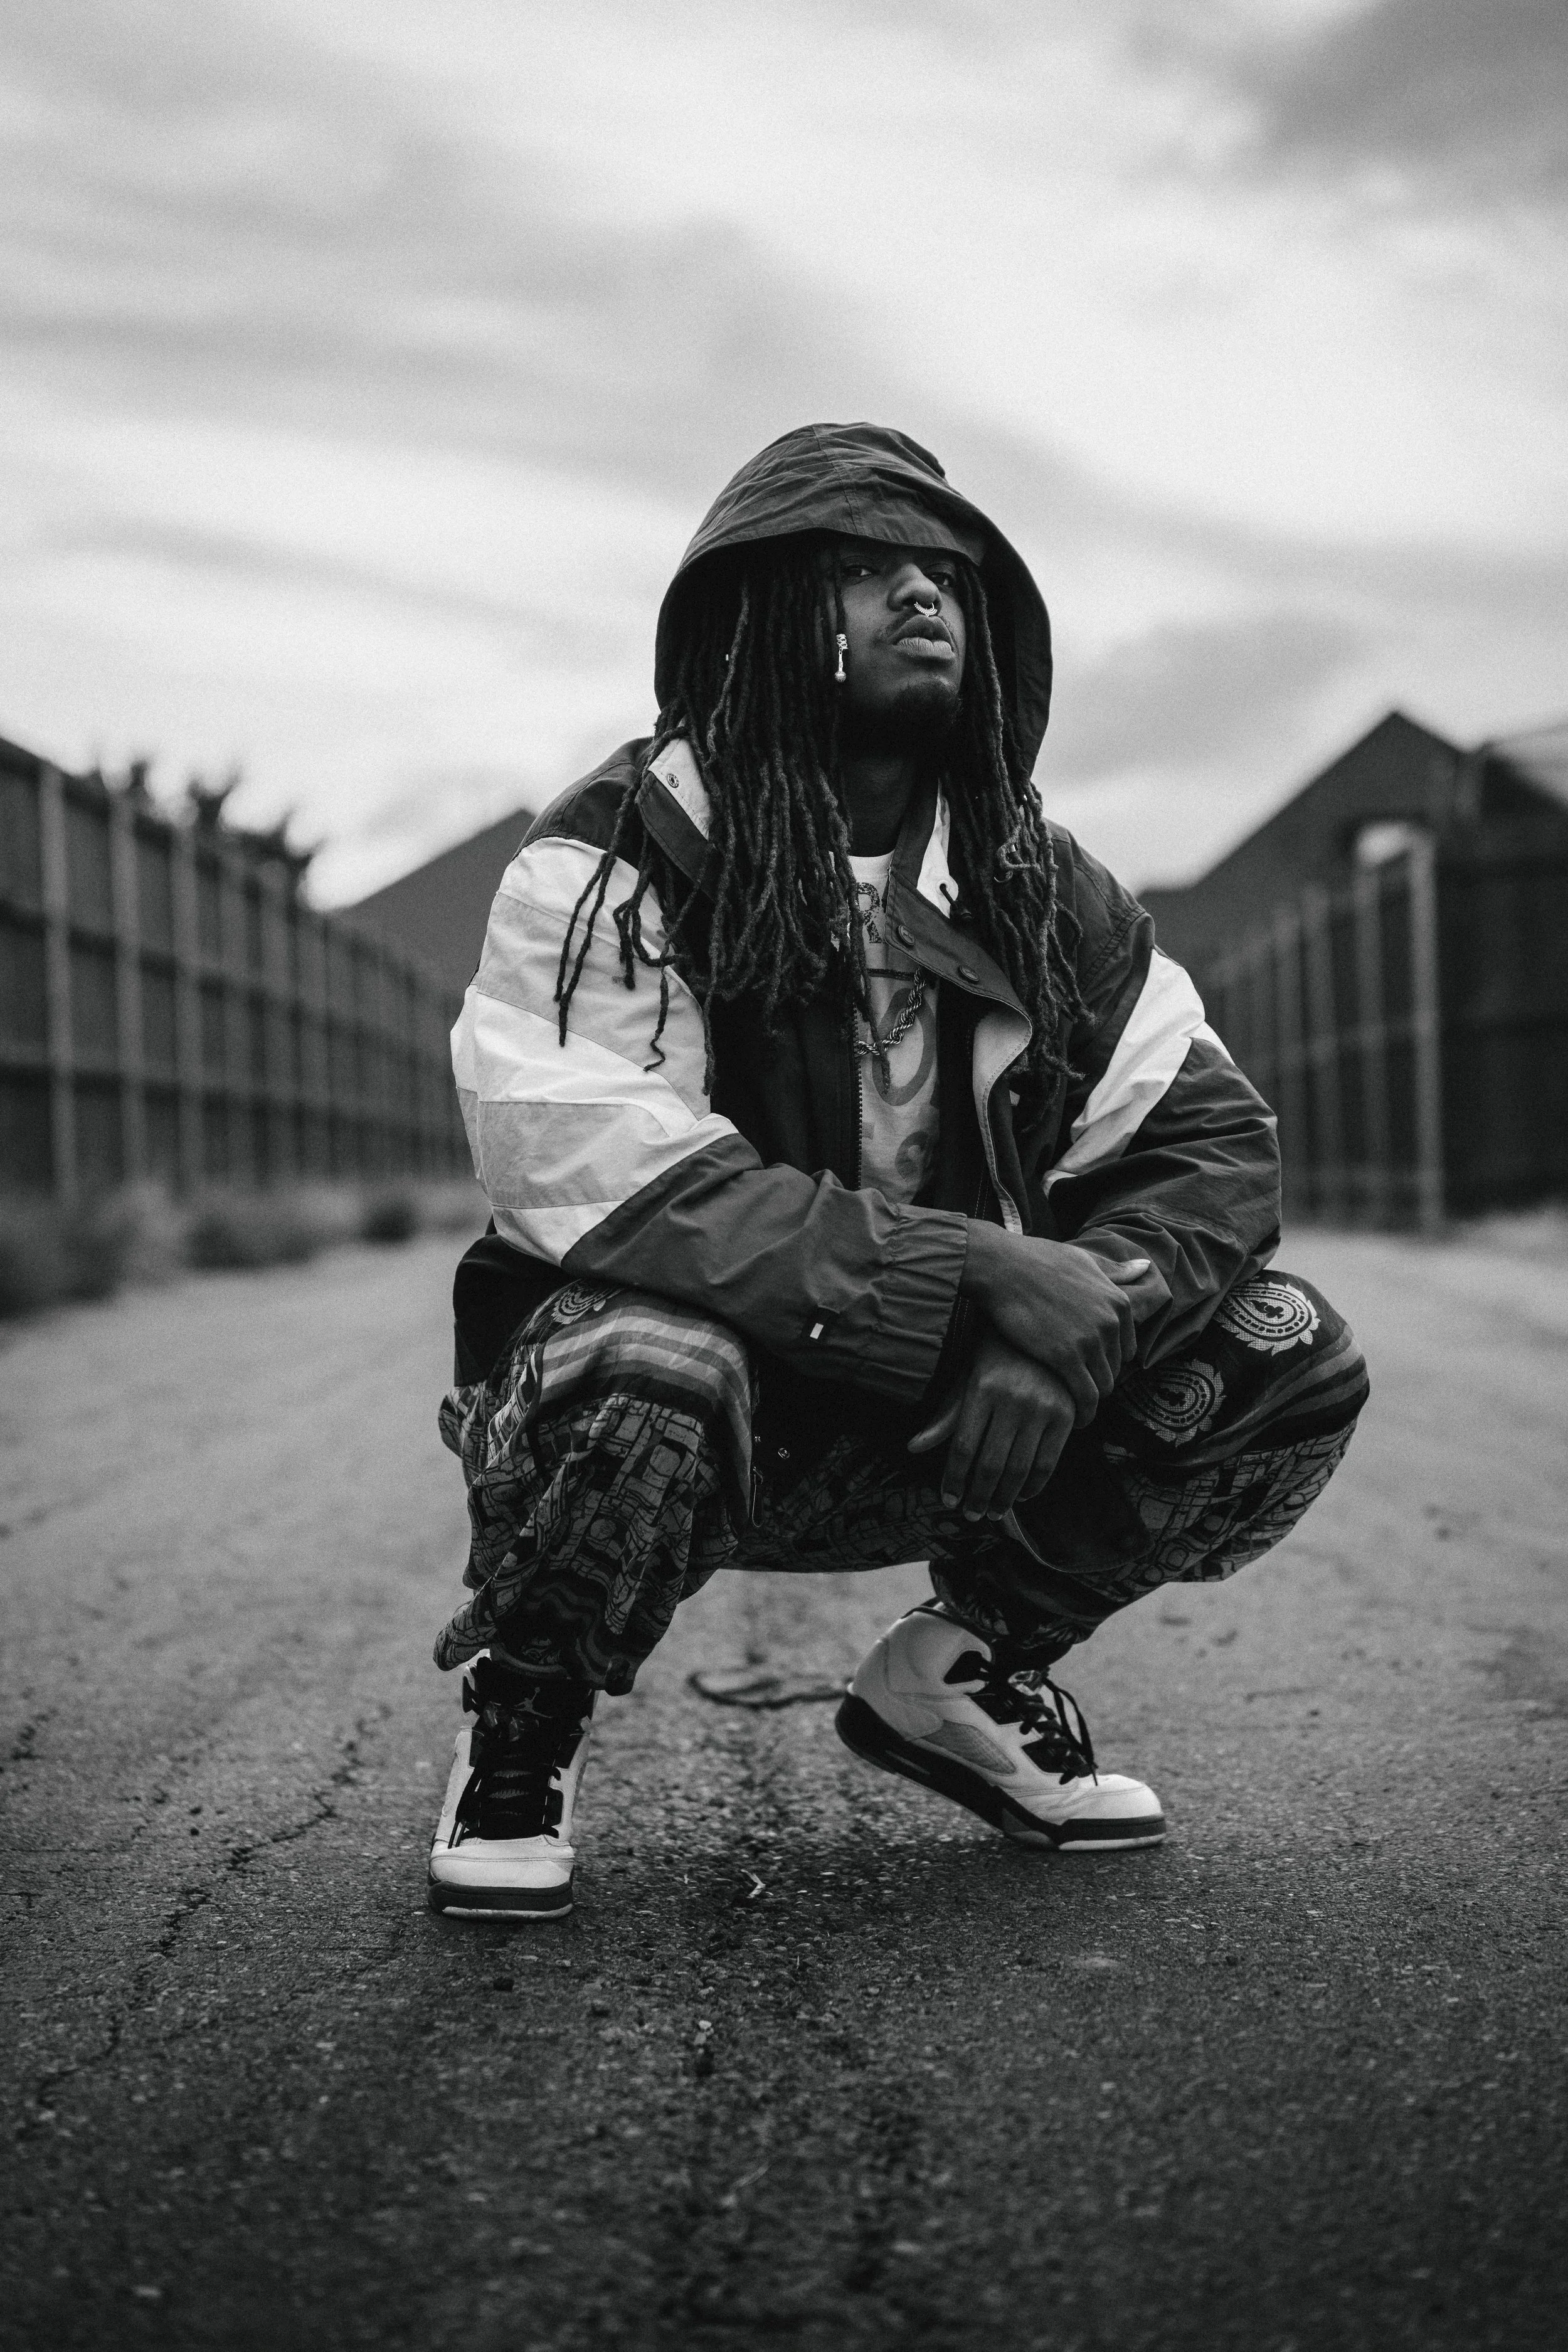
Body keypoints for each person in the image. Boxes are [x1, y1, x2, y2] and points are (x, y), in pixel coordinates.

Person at [426, 422, 1369, 1920]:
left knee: (1284, 1348)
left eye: (939, 572)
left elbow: (1207, 1146)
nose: (919, 594)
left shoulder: (1032, 882)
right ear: (756, 613)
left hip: (941, 1417)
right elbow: (610, 1181)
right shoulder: (618, 854)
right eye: (862, 571)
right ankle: (525, 1716)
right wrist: (974, 1273)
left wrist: (1067, 1330)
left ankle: (955, 1675)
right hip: (679, 1409)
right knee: (655, 1361)